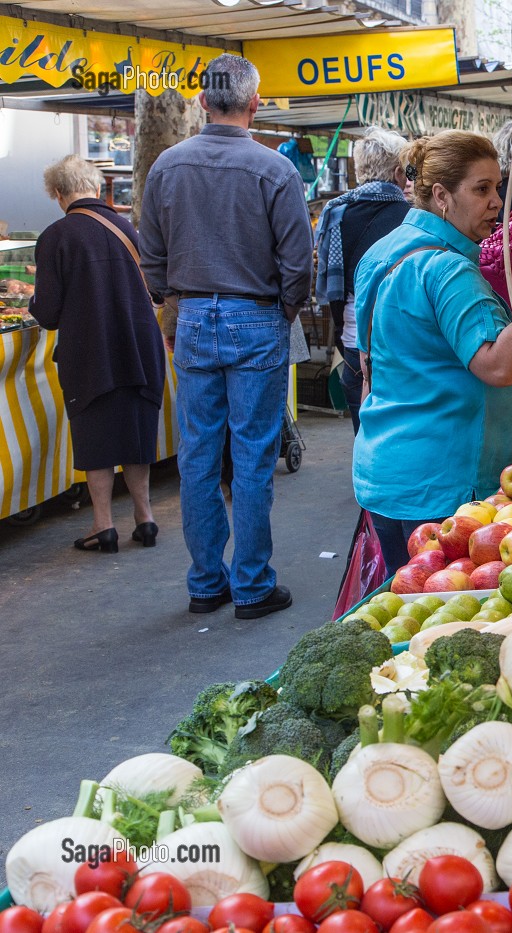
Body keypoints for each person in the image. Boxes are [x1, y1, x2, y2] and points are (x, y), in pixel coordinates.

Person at [352, 131, 512, 572]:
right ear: (441, 195)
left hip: (385, 467)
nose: (497, 201)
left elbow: (367, 360)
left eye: (497, 186)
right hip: (442, 480)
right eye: (481, 189)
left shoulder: (382, 252)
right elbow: (498, 367)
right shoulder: (447, 269)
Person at [140, 53, 311, 620]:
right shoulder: (275, 170)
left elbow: (153, 257)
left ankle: (205, 581)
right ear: (254, 103)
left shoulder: (167, 166)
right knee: (252, 457)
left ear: (203, 103)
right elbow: (297, 262)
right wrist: (282, 309)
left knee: (198, 455)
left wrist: (175, 299)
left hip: (191, 318)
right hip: (256, 316)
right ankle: (253, 585)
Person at [30, 156, 165, 554]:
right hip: (142, 350)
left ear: (58, 194)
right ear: (96, 185)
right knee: (137, 432)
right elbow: (158, 292)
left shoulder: (56, 236)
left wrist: (34, 303)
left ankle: (103, 526)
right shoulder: (129, 229)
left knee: (96, 435)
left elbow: (49, 314)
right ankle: (145, 518)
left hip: (90, 353)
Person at [315, 127, 411, 434]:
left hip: (355, 342)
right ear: (398, 172)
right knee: (403, 430)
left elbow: (333, 293)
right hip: (405, 341)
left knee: (365, 433)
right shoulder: (413, 216)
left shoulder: (335, 214)